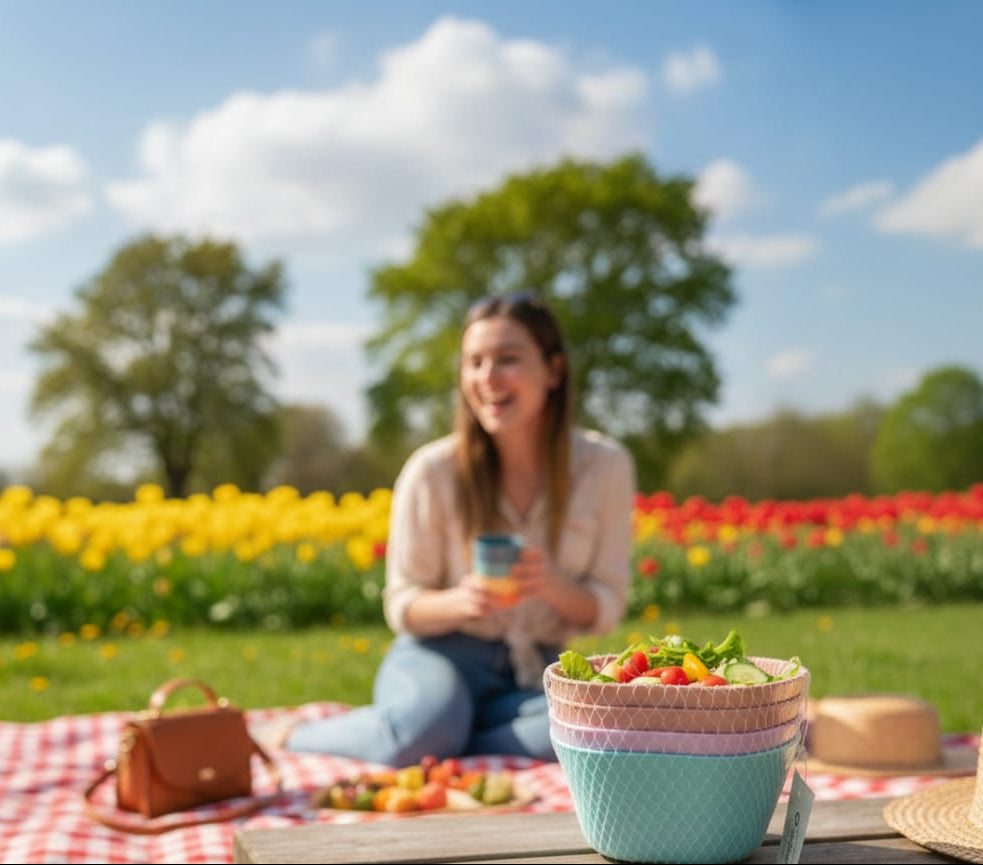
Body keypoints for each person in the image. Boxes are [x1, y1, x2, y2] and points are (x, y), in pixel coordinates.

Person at [283, 293, 636, 765]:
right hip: (439, 656)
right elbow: (403, 605)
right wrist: (462, 601)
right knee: (420, 734)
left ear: (553, 370)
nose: (487, 377)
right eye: (474, 363)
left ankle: (455, 736)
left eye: (507, 359)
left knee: (605, 729)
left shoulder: (604, 467)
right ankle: (294, 736)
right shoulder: (432, 471)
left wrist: (552, 585)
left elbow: (607, 606)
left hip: (536, 668)